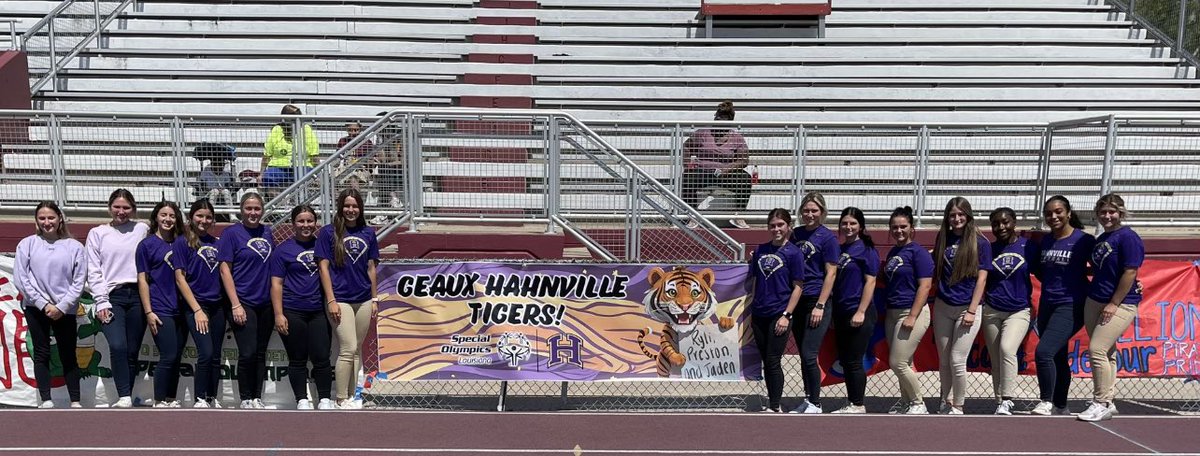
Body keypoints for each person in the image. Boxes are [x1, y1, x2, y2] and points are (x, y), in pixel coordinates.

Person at [1077, 194, 1143, 422]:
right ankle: (1109, 400)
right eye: (1103, 212)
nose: (1107, 216)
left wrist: (1114, 303)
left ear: (1121, 213)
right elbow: (1102, 270)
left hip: (1120, 304)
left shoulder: (1128, 237)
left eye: (1112, 211)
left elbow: (1130, 271)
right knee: (1108, 352)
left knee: (1096, 350)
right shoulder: (1102, 238)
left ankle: (1100, 401)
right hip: (1095, 299)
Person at [14, 202, 86, 408]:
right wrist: (43, 304)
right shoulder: (27, 244)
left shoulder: (75, 247)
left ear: (59, 219)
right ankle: (46, 399)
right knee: (42, 352)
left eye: (51, 218)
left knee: (68, 353)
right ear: (36, 221)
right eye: (42, 218)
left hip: (65, 309)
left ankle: (75, 400)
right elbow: (21, 278)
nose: (47, 222)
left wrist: (62, 306)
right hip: (36, 309)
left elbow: (79, 280)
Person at [1030, 195, 1094, 416]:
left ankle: (1046, 401)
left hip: (1071, 304)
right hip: (1048, 303)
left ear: (1068, 213)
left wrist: (1135, 284)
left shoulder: (1084, 241)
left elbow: (1105, 267)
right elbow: (1041, 270)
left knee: (1044, 352)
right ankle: (1060, 405)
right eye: (1048, 213)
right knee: (1057, 355)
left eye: (1058, 211)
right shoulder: (1046, 241)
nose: (1053, 216)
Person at [317, 188, 381, 408]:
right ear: (340, 207)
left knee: (356, 348)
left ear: (360, 208)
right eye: (347, 206)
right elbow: (323, 268)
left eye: (355, 206)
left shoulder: (368, 233)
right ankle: (341, 398)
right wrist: (331, 300)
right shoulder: (328, 232)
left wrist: (374, 299)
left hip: (363, 298)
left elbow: (371, 267)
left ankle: (355, 396)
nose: (351, 210)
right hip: (340, 298)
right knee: (348, 347)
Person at [87, 189, 150, 408]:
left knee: (132, 350)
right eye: (117, 207)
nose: (121, 212)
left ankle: (128, 396)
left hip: (139, 295)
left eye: (126, 207)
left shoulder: (142, 229)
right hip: (112, 297)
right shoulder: (97, 233)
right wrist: (101, 301)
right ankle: (123, 395)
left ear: (133, 209)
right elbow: (94, 271)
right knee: (118, 345)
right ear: (109, 207)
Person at [271, 205, 336, 410]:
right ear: (293, 224)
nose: (305, 225)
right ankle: (302, 399)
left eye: (310, 221)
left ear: (315, 223)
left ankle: (325, 398)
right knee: (297, 359)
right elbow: (276, 284)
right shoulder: (283, 250)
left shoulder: (323, 246)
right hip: (292, 310)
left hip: (318, 310)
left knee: (321, 357)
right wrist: (279, 314)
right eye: (301, 221)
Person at [932, 197, 991, 415]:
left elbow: (982, 279)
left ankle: (958, 404)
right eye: (952, 215)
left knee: (957, 359)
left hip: (968, 308)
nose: (957, 219)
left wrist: (972, 310)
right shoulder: (943, 237)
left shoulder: (980, 242)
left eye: (961, 214)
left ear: (968, 216)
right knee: (944, 360)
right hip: (943, 306)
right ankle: (945, 401)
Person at [217, 192, 275, 409]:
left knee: (261, 352)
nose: (253, 213)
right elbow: (224, 269)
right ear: (241, 209)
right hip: (243, 301)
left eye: (257, 209)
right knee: (248, 351)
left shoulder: (267, 232)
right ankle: (245, 397)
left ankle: (257, 396)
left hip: (265, 302)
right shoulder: (231, 233)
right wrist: (235, 304)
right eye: (249, 208)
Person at [745, 208, 805, 413]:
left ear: (788, 227)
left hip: (779, 313)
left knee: (773, 359)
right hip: (759, 312)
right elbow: (754, 280)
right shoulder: (761, 250)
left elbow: (798, 286)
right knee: (765, 358)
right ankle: (772, 401)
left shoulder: (794, 253)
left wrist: (787, 315)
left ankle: (774, 404)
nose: (776, 229)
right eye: (772, 225)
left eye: (780, 225)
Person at [785, 192, 838, 414]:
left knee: (809, 353)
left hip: (816, 299)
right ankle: (808, 398)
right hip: (798, 299)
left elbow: (831, 273)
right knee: (803, 354)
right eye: (806, 210)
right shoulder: (795, 234)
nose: (810, 214)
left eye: (814, 210)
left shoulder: (828, 238)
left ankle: (816, 401)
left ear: (822, 212)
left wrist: (821, 304)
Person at [983, 207, 1038, 415]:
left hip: (1019, 310)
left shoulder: (1029, 247)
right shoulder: (989, 249)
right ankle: (999, 402)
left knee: (1007, 349)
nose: (1001, 227)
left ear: (1014, 222)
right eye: (996, 223)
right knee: (996, 358)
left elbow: (1048, 272)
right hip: (992, 310)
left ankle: (1007, 399)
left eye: (1005, 222)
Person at [172, 199, 227, 408]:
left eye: (208, 217)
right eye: (199, 216)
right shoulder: (182, 242)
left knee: (215, 354)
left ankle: (212, 397)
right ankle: (200, 397)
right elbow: (180, 278)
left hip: (217, 306)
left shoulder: (217, 242)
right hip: (196, 306)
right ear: (191, 218)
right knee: (205, 352)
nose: (204, 220)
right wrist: (197, 310)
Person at [881, 206, 933, 415]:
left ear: (912, 228)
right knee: (904, 362)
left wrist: (912, 315)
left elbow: (925, 286)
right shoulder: (894, 252)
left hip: (912, 312)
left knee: (898, 362)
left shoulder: (918, 253)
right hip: (893, 312)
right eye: (895, 227)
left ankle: (918, 403)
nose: (899, 231)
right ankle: (906, 401)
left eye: (903, 227)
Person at [829, 207, 879, 414]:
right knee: (846, 359)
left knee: (854, 360)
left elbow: (871, 281)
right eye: (845, 223)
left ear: (861, 226)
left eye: (853, 223)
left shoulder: (866, 250)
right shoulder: (840, 250)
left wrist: (861, 311)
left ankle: (858, 403)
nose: (848, 227)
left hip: (859, 311)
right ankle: (852, 401)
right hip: (841, 311)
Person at [137, 201, 187, 408]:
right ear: (156, 217)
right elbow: (142, 279)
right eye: (163, 215)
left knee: (177, 356)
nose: (167, 219)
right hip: (160, 307)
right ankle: (158, 399)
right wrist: (148, 311)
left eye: (172, 216)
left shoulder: (182, 242)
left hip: (182, 308)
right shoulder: (146, 245)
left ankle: (170, 398)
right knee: (169, 354)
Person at [682, 100, 752, 229]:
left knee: (745, 179)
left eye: (723, 120)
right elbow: (686, 147)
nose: (719, 122)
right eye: (717, 118)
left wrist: (728, 168)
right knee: (687, 179)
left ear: (730, 121)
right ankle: (691, 216)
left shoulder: (737, 137)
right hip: (703, 170)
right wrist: (688, 164)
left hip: (726, 172)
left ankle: (738, 215)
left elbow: (744, 160)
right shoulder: (702, 133)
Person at [260, 104, 320, 196]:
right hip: (278, 167)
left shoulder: (306, 129)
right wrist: (261, 173)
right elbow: (267, 155)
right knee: (268, 177)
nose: (295, 122)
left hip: (303, 166)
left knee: (307, 178)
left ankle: (299, 203)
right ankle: (277, 204)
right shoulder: (277, 129)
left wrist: (318, 174)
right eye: (292, 119)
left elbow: (314, 154)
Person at [370, 121, 404, 225]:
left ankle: (388, 207)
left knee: (386, 169)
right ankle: (393, 200)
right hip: (387, 172)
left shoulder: (399, 139)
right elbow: (382, 159)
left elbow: (401, 160)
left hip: (401, 172)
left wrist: (387, 161)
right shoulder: (380, 140)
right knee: (384, 169)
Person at [335, 122, 374, 193]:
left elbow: (371, 162)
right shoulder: (342, 141)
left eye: (356, 130)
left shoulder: (367, 142)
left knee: (353, 180)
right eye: (350, 130)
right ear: (347, 130)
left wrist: (362, 161)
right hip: (345, 167)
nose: (353, 132)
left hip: (361, 168)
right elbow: (337, 159)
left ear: (360, 130)